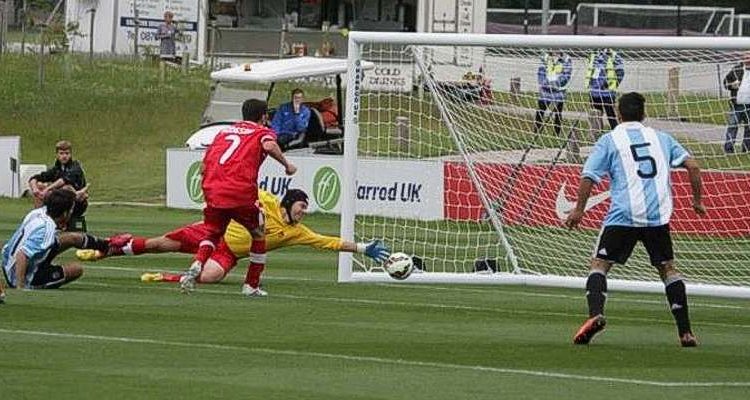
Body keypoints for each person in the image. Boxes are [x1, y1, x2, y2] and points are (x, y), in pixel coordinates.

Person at [564, 92, 705, 348]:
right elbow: (693, 167)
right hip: (656, 216)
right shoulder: (662, 138)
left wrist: (579, 209)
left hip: (623, 215)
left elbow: (589, 176)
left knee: (599, 265)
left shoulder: (610, 140)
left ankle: (595, 314)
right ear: (644, 114)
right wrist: (697, 202)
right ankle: (686, 332)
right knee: (668, 269)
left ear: (618, 114)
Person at [76, 189, 391, 293]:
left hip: (229, 253)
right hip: (213, 231)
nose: (304, 211)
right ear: (287, 204)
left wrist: (363, 248)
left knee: (210, 277)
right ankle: (109, 248)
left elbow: (329, 242)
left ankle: (168, 277)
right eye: (301, 206)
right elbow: (243, 190)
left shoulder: (298, 231)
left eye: (306, 208)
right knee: (159, 244)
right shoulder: (265, 199)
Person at [179, 99, 296, 296]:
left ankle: (198, 264)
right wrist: (286, 164)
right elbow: (268, 146)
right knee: (258, 233)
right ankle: (251, 285)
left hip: (213, 189)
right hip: (239, 191)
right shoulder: (262, 132)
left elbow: (203, 164)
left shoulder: (224, 132)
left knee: (213, 232)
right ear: (264, 116)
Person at [1, 189, 119, 299]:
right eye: (71, 210)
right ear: (64, 213)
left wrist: (75, 197)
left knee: (72, 238)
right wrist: (20, 287)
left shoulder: (39, 212)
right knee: (76, 269)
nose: (72, 212)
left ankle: (106, 245)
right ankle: (26, 281)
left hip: (7, 263)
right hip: (24, 274)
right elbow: (22, 254)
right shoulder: (46, 229)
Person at [28, 140, 89, 223]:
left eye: (67, 153)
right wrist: (35, 189)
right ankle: (39, 219)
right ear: (57, 155)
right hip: (59, 201)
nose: (64, 156)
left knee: (66, 188)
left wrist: (47, 190)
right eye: (61, 153)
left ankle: (62, 223)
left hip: (77, 203)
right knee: (40, 185)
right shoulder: (56, 169)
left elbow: (63, 180)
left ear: (70, 155)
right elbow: (35, 178)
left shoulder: (75, 167)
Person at [585, 48, 625, 132]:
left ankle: (616, 133)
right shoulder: (593, 54)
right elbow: (590, 69)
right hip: (594, 92)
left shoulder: (614, 55)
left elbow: (620, 72)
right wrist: (591, 83)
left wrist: (610, 84)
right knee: (595, 116)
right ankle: (597, 135)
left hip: (608, 93)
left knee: (611, 116)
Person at [534, 50, 572, 137]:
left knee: (558, 113)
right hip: (545, 90)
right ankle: (536, 131)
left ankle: (556, 134)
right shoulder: (545, 57)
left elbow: (567, 74)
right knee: (540, 111)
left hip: (558, 91)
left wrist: (556, 83)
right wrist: (545, 83)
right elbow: (541, 72)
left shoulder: (566, 59)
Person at [722, 52, 750, 153]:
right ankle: (728, 148)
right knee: (733, 126)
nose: (747, 60)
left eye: (749, 58)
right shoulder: (736, 69)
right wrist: (732, 85)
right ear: (742, 58)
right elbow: (725, 82)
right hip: (737, 105)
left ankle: (746, 149)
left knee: (748, 128)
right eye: (746, 57)